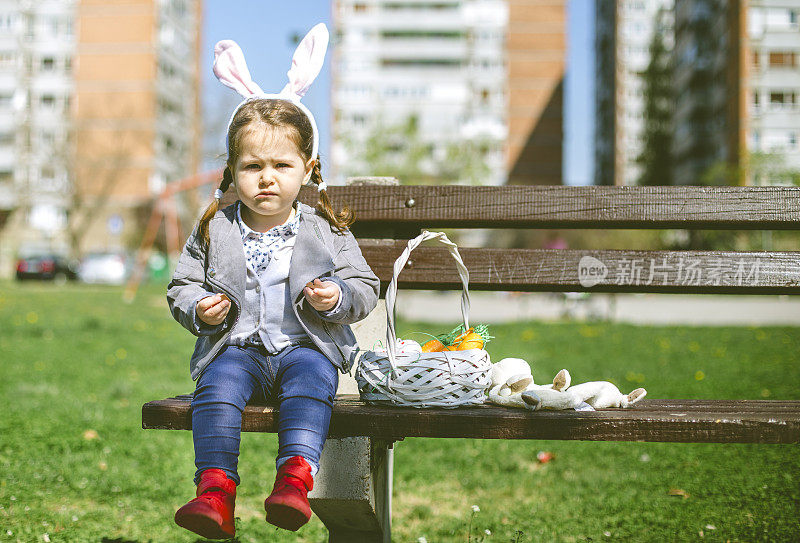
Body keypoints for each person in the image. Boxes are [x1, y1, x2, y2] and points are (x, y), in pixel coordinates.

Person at [166, 23, 380, 539]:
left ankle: (294, 480)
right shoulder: (215, 226)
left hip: (305, 347)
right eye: (252, 166)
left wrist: (336, 298)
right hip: (236, 349)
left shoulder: (324, 228)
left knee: (311, 385)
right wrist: (199, 308)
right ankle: (215, 491)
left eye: (281, 165)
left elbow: (364, 285)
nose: (267, 177)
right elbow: (180, 286)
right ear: (232, 172)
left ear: (307, 169)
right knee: (216, 390)